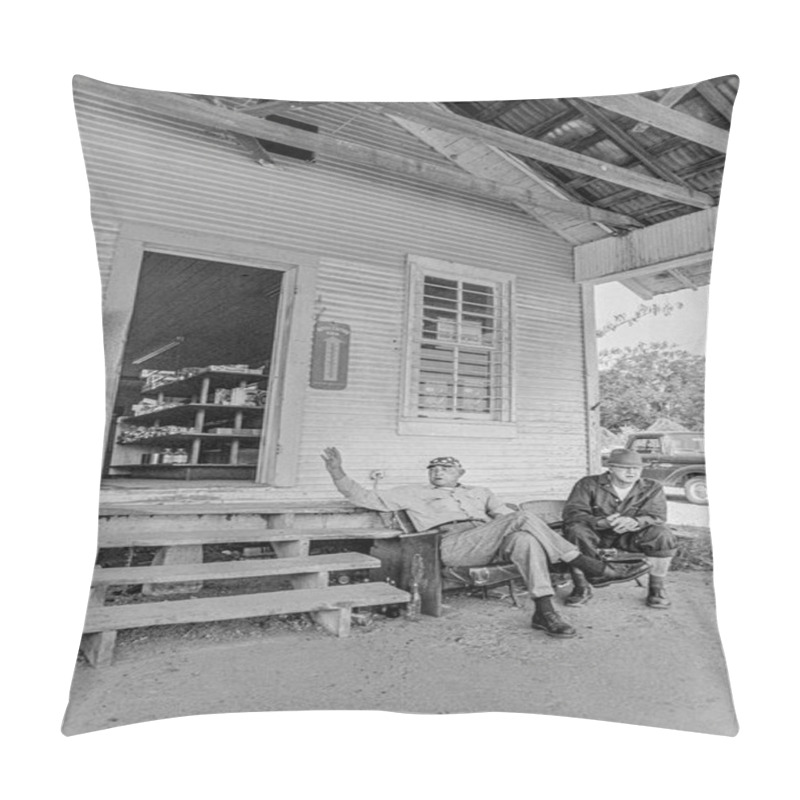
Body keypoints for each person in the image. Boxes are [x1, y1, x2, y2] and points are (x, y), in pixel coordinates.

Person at [321, 448, 650, 639]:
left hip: (487, 536)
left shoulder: (481, 492)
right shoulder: (409, 492)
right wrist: (337, 472)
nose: (438, 472)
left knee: (522, 536)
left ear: (460, 472)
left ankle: (544, 612)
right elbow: (360, 495)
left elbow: (502, 514)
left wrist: (506, 519)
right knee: (519, 522)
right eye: (433, 468)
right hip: (449, 545)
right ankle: (591, 567)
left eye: (446, 468)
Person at [562, 448, 678, 609]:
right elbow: (573, 513)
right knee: (576, 531)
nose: (631, 472)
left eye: (636, 468)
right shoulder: (588, 483)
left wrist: (636, 521)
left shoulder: (652, 487)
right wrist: (602, 522)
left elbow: (657, 516)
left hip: (631, 536)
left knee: (663, 535)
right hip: (596, 534)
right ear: (611, 468)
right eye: (624, 468)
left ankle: (656, 589)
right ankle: (581, 587)